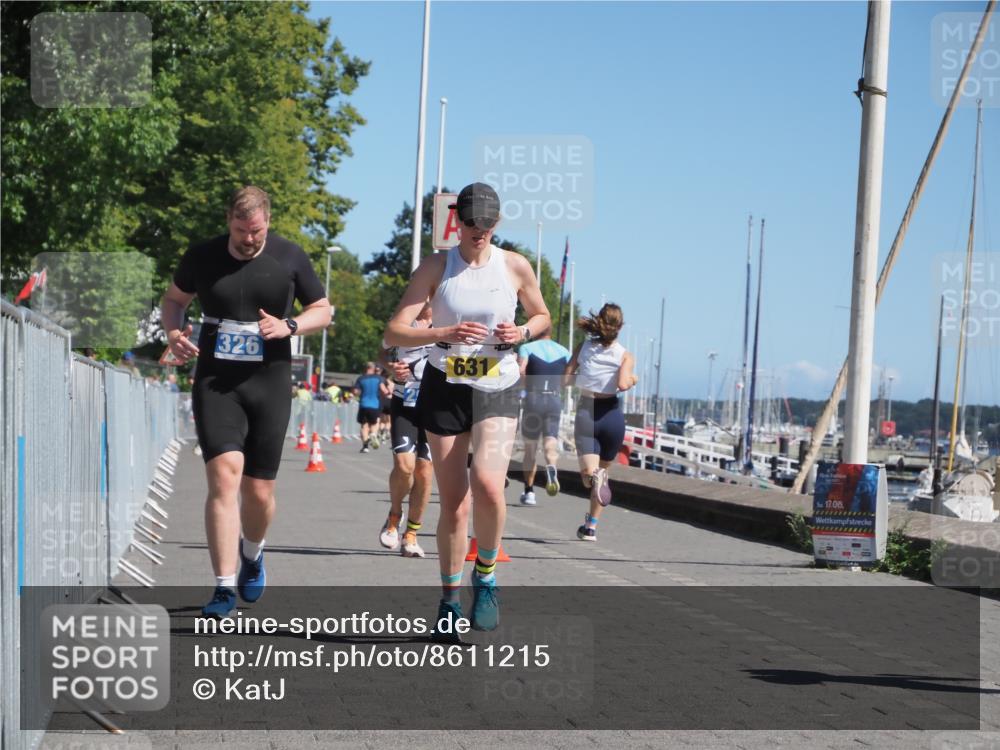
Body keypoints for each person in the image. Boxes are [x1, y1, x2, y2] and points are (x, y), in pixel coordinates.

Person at [385, 182, 550, 638]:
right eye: (473, 222)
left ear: (497, 224)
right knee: (455, 504)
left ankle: (488, 574)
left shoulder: (514, 265)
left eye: (488, 224)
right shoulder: (438, 266)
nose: (480, 231)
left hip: (496, 387)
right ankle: (449, 600)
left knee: (490, 487)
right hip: (445, 385)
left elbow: (542, 316)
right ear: (458, 221)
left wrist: (523, 333)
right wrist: (444, 332)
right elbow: (396, 330)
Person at [161, 185, 331, 618]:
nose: (248, 240)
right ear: (228, 223)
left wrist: (290, 325)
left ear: (267, 223)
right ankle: (221, 585)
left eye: (255, 231)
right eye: (240, 231)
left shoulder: (289, 257)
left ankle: (252, 554)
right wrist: (175, 334)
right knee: (223, 477)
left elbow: (323, 309)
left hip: (268, 382)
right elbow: (175, 301)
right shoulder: (202, 256)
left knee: (259, 491)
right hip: (217, 381)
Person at [564, 303, 638, 542]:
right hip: (612, 416)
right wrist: (633, 377)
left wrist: (583, 375)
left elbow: (566, 378)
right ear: (620, 327)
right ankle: (591, 527)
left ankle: (595, 485)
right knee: (602, 474)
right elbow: (625, 384)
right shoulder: (625, 354)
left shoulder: (584, 347)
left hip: (588, 411)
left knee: (589, 476)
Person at [377, 303, 434, 558]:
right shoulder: (402, 322)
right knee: (404, 465)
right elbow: (382, 352)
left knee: (424, 471)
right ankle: (394, 514)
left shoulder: (448, 322)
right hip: (404, 402)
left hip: (435, 406)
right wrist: (391, 369)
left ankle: (411, 534)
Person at [517, 332, 571, 506]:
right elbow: (567, 378)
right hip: (554, 399)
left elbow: (521, 371)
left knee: (530, 449)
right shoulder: (564, 351)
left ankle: (529, 491)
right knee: (550, 441)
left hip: (534, 399)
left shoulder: (526, 348)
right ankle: (551, 467)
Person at [354, 362, 383, 452]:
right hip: (375, 405)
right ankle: (373, 434)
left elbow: (356, 392)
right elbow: (384, 390)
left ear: (365, 368)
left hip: (363, 404)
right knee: (374, 423)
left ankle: (365, 447)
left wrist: (359, 393)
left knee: (364, 426)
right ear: (373, 369)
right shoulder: (378, 378)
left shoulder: (360, 378)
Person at [377, 370, 393, 442]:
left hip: (383, 401)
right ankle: (386, 433)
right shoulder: (392, 383)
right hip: (390, 401)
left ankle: (381, 433)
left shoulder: (382, 382)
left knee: (382, 420)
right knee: (388, 421)